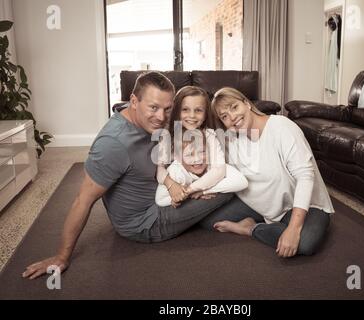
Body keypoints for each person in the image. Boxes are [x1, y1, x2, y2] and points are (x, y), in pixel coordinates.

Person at [22, 72, 233, 280]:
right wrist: (61, 257)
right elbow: (82, 201)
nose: (161, 117)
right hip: (148, 222)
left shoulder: (149, 120)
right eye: (153, 107)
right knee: (232, 183)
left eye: (167, 109)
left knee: (213, 175)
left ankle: (209, 216)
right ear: (134, 101)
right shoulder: (113, 144)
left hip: (162, 195)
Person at [209, 87, 334, 258]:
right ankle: (269, 226)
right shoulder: (232, 139)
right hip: (260, 205)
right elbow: (215, 166)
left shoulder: (281, 127)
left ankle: (250, 229)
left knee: (304, 243)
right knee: (209, 220)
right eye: (224, 116)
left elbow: (305, 176)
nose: (232, 118)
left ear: (247, 104)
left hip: (303, 205)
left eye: (234, 107)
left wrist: (293, 228)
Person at [156, 86, 227, 206]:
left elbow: (219, 170)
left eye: (198, 110)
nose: (192, 115)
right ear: (177, 111)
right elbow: (160, 169)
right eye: (185, 109)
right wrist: (171, 185)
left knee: (230, 189)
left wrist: (195, 190)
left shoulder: (209, 134)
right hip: (177, 190)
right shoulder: (168, 136)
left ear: (205, 114)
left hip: (200, 188)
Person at [155, 130, 248, 207]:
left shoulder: (212, 163)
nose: (198, 159)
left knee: (229, 193)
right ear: (178, 158)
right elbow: (160, 200)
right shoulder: (176, 171)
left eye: (202, 151)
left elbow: (242, 182)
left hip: (203, 197)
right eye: (190, 154)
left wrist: (203, 191)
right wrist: (183, 195)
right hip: (188, 205)